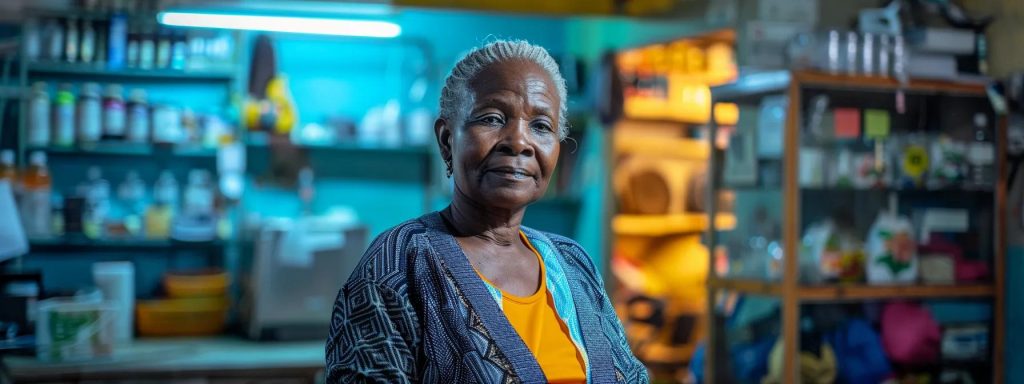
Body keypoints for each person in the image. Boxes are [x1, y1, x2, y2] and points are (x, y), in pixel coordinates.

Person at [326, 39, 648, 383]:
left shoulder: (573, 264)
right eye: (492, 118)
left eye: (540, 126)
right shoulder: (398, 264)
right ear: (447, 139)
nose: (519, 142)